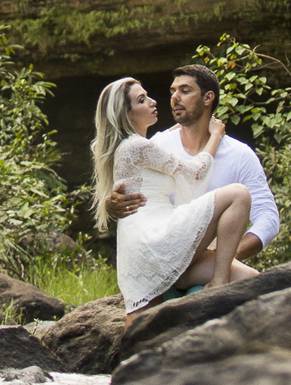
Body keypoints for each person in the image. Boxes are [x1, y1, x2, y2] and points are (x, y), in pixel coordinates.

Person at [91, 77, 259, 317]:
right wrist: (215, 136)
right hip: (155, 243)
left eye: (148, 95)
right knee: (238, 195)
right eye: (142, 100)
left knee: (250, 279)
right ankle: (219, 285)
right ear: (126, 114)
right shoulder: (136, 146)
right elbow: (194, 173)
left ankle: (201, 300)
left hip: (157, 247)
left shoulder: (134, 145)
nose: (153, 101)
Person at [102, 63, 281, 257]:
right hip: (164, 260)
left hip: (213, 266)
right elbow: (136, 199)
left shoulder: (240, 155)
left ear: (208, 98)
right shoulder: (157, 145)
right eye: (173, 91)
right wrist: (113, 204)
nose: (174, 97)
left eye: (185, 91)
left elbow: (267, 217)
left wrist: (225, 256)